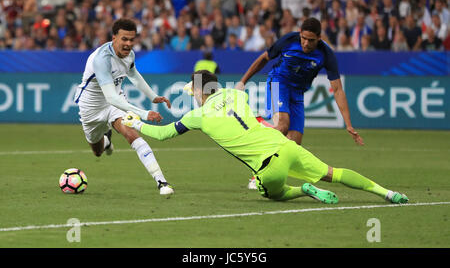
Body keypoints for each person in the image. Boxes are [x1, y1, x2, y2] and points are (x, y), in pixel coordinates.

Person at [121, 70, 409, 205]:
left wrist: (137, 122)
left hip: (268, 165)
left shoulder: (198, 116)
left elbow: (163, 134)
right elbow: (254, 119)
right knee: (333, 172)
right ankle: (388, 193)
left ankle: (305, 190)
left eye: (193, 93)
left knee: (273, 193)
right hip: (285, 145)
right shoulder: (238, 94)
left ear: (199, 92)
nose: (193, 98)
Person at [235, 17, 364, 189]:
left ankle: (263, 131)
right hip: (277, 83)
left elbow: (338, 90)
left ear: (319, 38)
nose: (305, 43)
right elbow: (264, 59)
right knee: (282, 125)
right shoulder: (289, 40)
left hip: (297, 94)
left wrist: (348, 124)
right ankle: (257, 174)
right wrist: (242, 82)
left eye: (310, 40)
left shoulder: (326, 54)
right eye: (303, 38)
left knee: (293, 144)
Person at [74, 18, 174, 195]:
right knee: (97, 151)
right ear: (114, 38)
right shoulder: (101, 60)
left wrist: (153, 97)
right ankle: (106, 141)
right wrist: (143, 113)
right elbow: (110, 97)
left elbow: (134, 76)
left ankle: (162, 182)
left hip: (116, 103)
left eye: (131, 39)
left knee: (131, 134)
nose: (128, 44)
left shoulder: (130, 55)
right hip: (91, 106)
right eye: (124, 39)